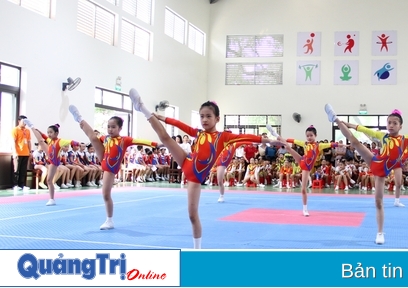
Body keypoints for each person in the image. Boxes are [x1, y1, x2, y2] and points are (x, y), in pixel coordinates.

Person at [128, 88, 281, 249]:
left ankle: (197, 249)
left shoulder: (223, 137)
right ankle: (142, 108)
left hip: (195, 178)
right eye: (202, 116)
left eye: (208, 116)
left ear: (217, 118)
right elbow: (181, 125)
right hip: (186, 162)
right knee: (165, 137)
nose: (204, 120)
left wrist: (270, 141)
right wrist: (163, 118)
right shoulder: (198, 133)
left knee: (192, 215)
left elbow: (246, 137)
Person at [324, 104, 408, 244]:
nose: (391, 125)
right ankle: (335, 119)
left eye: (395, 123)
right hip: (374, 161)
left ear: (400, 126)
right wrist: (345, 123)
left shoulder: (406, 140)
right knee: (354, 141)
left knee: (378, 202)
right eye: (389, 123)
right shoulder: (382, 136)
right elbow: (361, 128)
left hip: (382, 173)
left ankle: (380, 233)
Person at [68, 105, 157, 230]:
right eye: (108, 127)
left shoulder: (125, 140)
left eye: (113, 127)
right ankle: (79, 118)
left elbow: (140, 141)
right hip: (103, 158)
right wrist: (83, 127)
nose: (110, 129)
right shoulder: (106, 138)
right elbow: (95, 137)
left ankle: (109, 220)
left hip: (110, 168)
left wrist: (157, 144)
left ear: (120, 128)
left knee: (105, 194)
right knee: (93, 137)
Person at [267, 124, 339, 216]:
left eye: (311, 135)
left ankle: (305, 209)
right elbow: (293, 140)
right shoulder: (305, 144)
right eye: (307, 136)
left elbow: (331, 144)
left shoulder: (319, 145)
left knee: (303, 189)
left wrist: (342, 144)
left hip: (306, 167)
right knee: (288, 147)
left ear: (315, 135)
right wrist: (285, 139)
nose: (309, 137)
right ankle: (275, 134)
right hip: (301, 160)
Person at [23, 120, 79, 206]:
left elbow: (71, 141)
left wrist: (77, 143)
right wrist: (39, 131)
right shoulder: (50, 140)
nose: (49, 134)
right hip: (50, 157)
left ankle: (52, 199)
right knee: (41, 141)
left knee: (49, 180)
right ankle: (32, 126)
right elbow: (45, 137)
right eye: (48, 132)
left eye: (51, 132)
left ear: (56, 133)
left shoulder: (60, 141)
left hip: (54, 161)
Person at [12, 115, 31, 191]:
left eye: (26, 122)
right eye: (24, 122)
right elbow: (13, 141)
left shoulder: (27, 131)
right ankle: (15, 185)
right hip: (18, 153)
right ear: (19, 121)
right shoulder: (15, 130)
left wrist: (30, 151)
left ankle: (22, 185)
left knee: (23, 170)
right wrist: (14, 152)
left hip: (26, 153)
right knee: (16, 170)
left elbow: (29, 141)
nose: (25, 123)